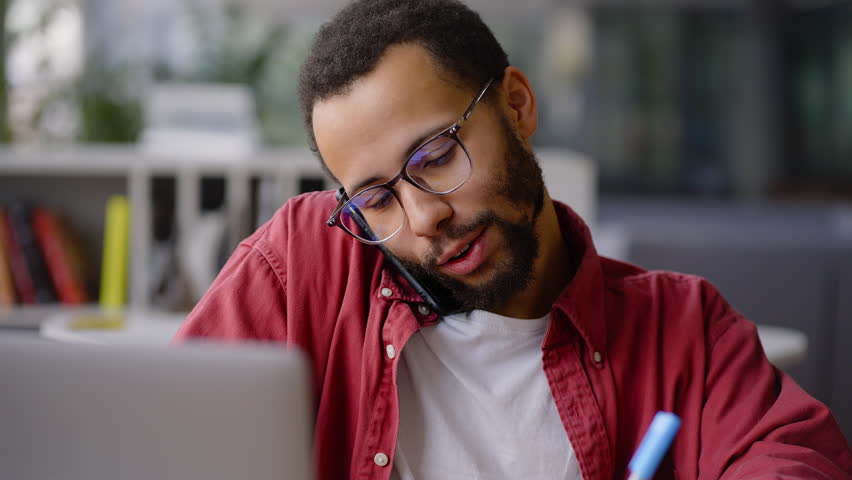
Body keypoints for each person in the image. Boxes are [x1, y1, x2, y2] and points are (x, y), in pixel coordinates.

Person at [173, 1, 852, 479]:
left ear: (519, 106)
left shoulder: (684, 329)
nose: (421, 219)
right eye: (377, 199)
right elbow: (164, 434)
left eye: (436, 156)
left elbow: (793, 461)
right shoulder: (306, 261)